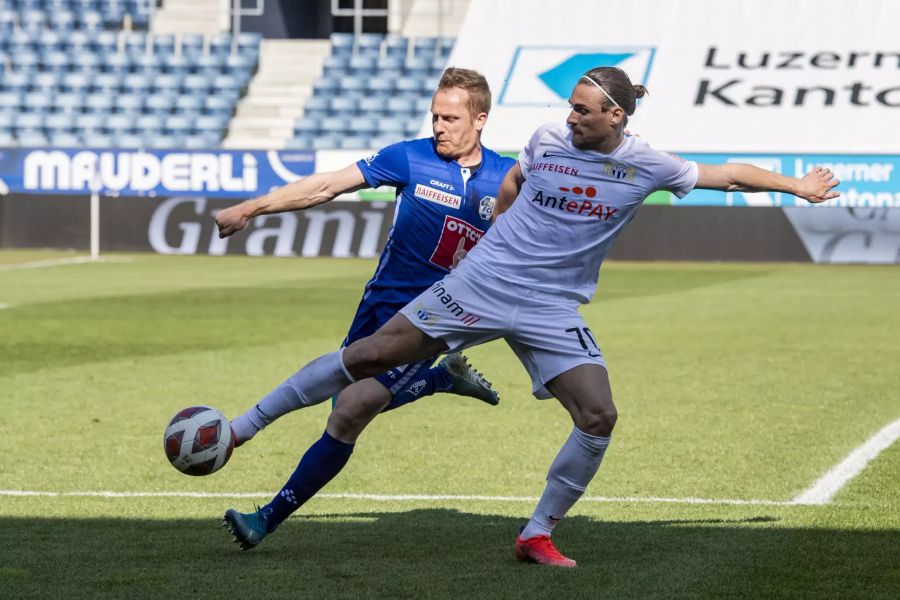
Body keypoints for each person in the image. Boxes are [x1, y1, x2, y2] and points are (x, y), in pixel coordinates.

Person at [220, 66, 840, 566]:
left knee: (599, 415)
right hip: (483, 282)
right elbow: (515, 181)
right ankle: (243, 427)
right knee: (366, 360)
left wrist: (797, 186)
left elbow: (727, 175)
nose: (569, 116)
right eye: (569, 106)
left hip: (549, 306)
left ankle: (536, 534)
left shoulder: (646, 164)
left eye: (582, 109)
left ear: (615, 116)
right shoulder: (545, 139)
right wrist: (501, 234)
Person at [215, 68, 516, 544]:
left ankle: (262, 514)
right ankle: (440, 379)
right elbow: (327, 186)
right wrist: (251, 208)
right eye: (435, 115)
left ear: (479, 119)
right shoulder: (411, 158)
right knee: (344, 398)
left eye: (450, 117)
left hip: (435, 316)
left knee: (349, 412)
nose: (438, 125)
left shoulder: (506, 177)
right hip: (380, 306)